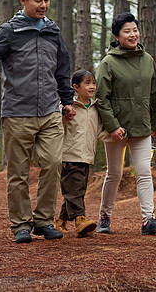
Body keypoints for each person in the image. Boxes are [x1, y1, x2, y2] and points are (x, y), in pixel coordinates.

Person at [0, 0, 76, 244]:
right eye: (38, 0)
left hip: (50, 111)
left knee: (53, 164)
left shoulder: (53, 31)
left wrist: (66, 101)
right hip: (18, 112)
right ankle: (20, 224)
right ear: (23, 0)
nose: (43, 5)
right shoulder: (10, 31)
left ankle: (43, 221)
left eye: (47, 0)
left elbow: (62, 70)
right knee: (18, 172)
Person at [95, 12, 156, 235]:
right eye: (127, 31)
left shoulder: (148, 60)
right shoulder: (108, 63)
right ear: (117, 36)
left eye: (135, 30)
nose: (133, 34)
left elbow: (155, 93)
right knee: (114, 174)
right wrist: (112, 126)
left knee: (144, 172)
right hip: (117, 129)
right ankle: (104, 217)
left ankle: (149, 220)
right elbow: (101, 98)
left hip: (142, 126)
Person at [56, 69, 103, 238]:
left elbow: (98, 132)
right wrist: (64, 116)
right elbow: (55, 127)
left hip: (86, 156)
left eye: (93, 83)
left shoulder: (95, 108)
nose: (92, 87)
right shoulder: (68, 107)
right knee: (74, 190)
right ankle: (80, 220)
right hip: (69, 155)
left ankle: (60, 221)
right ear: (75, 87)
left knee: (75, 190)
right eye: (87, 83)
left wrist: (116, 135)